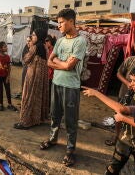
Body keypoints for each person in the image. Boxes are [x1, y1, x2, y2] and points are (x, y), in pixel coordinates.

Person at [86, 65, 135, 174]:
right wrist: (117, 135)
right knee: (112, 169)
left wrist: (96, 93)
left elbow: (122, 110)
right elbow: (119, 112)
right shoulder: (131, 93)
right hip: (125, 139)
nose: (131, 83)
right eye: (130, 80)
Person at [39, 9, 87, 167]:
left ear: (71, 21)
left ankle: (70, 149)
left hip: (71, 87)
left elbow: (69, 66)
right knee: (55, 115)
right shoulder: (59, 41)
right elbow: (49, 62)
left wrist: (61, 63)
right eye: (58, 22)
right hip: (56, 83)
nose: (58, 25)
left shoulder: (80, 41)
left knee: (71, 120)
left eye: (61, 22)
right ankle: (53, 139)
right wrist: (63, 64)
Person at [13, 29, 49, 130]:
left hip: (33, 75)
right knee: (38, 96)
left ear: (38, 36)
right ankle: (38, 119)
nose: (32, 37)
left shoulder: (35, 47)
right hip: (42, 77)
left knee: (29, 96)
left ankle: (26, 122)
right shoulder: (45, 47)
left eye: (34, 35)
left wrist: (28, 47)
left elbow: (25, 59)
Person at [45, 35, 56, 102]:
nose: (45, 42)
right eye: (45, 41)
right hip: (47, 74)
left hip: (51, 75)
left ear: (50, 41)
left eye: (47, 41)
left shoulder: (53, 51)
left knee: (50, 93)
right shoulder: (47, 50)